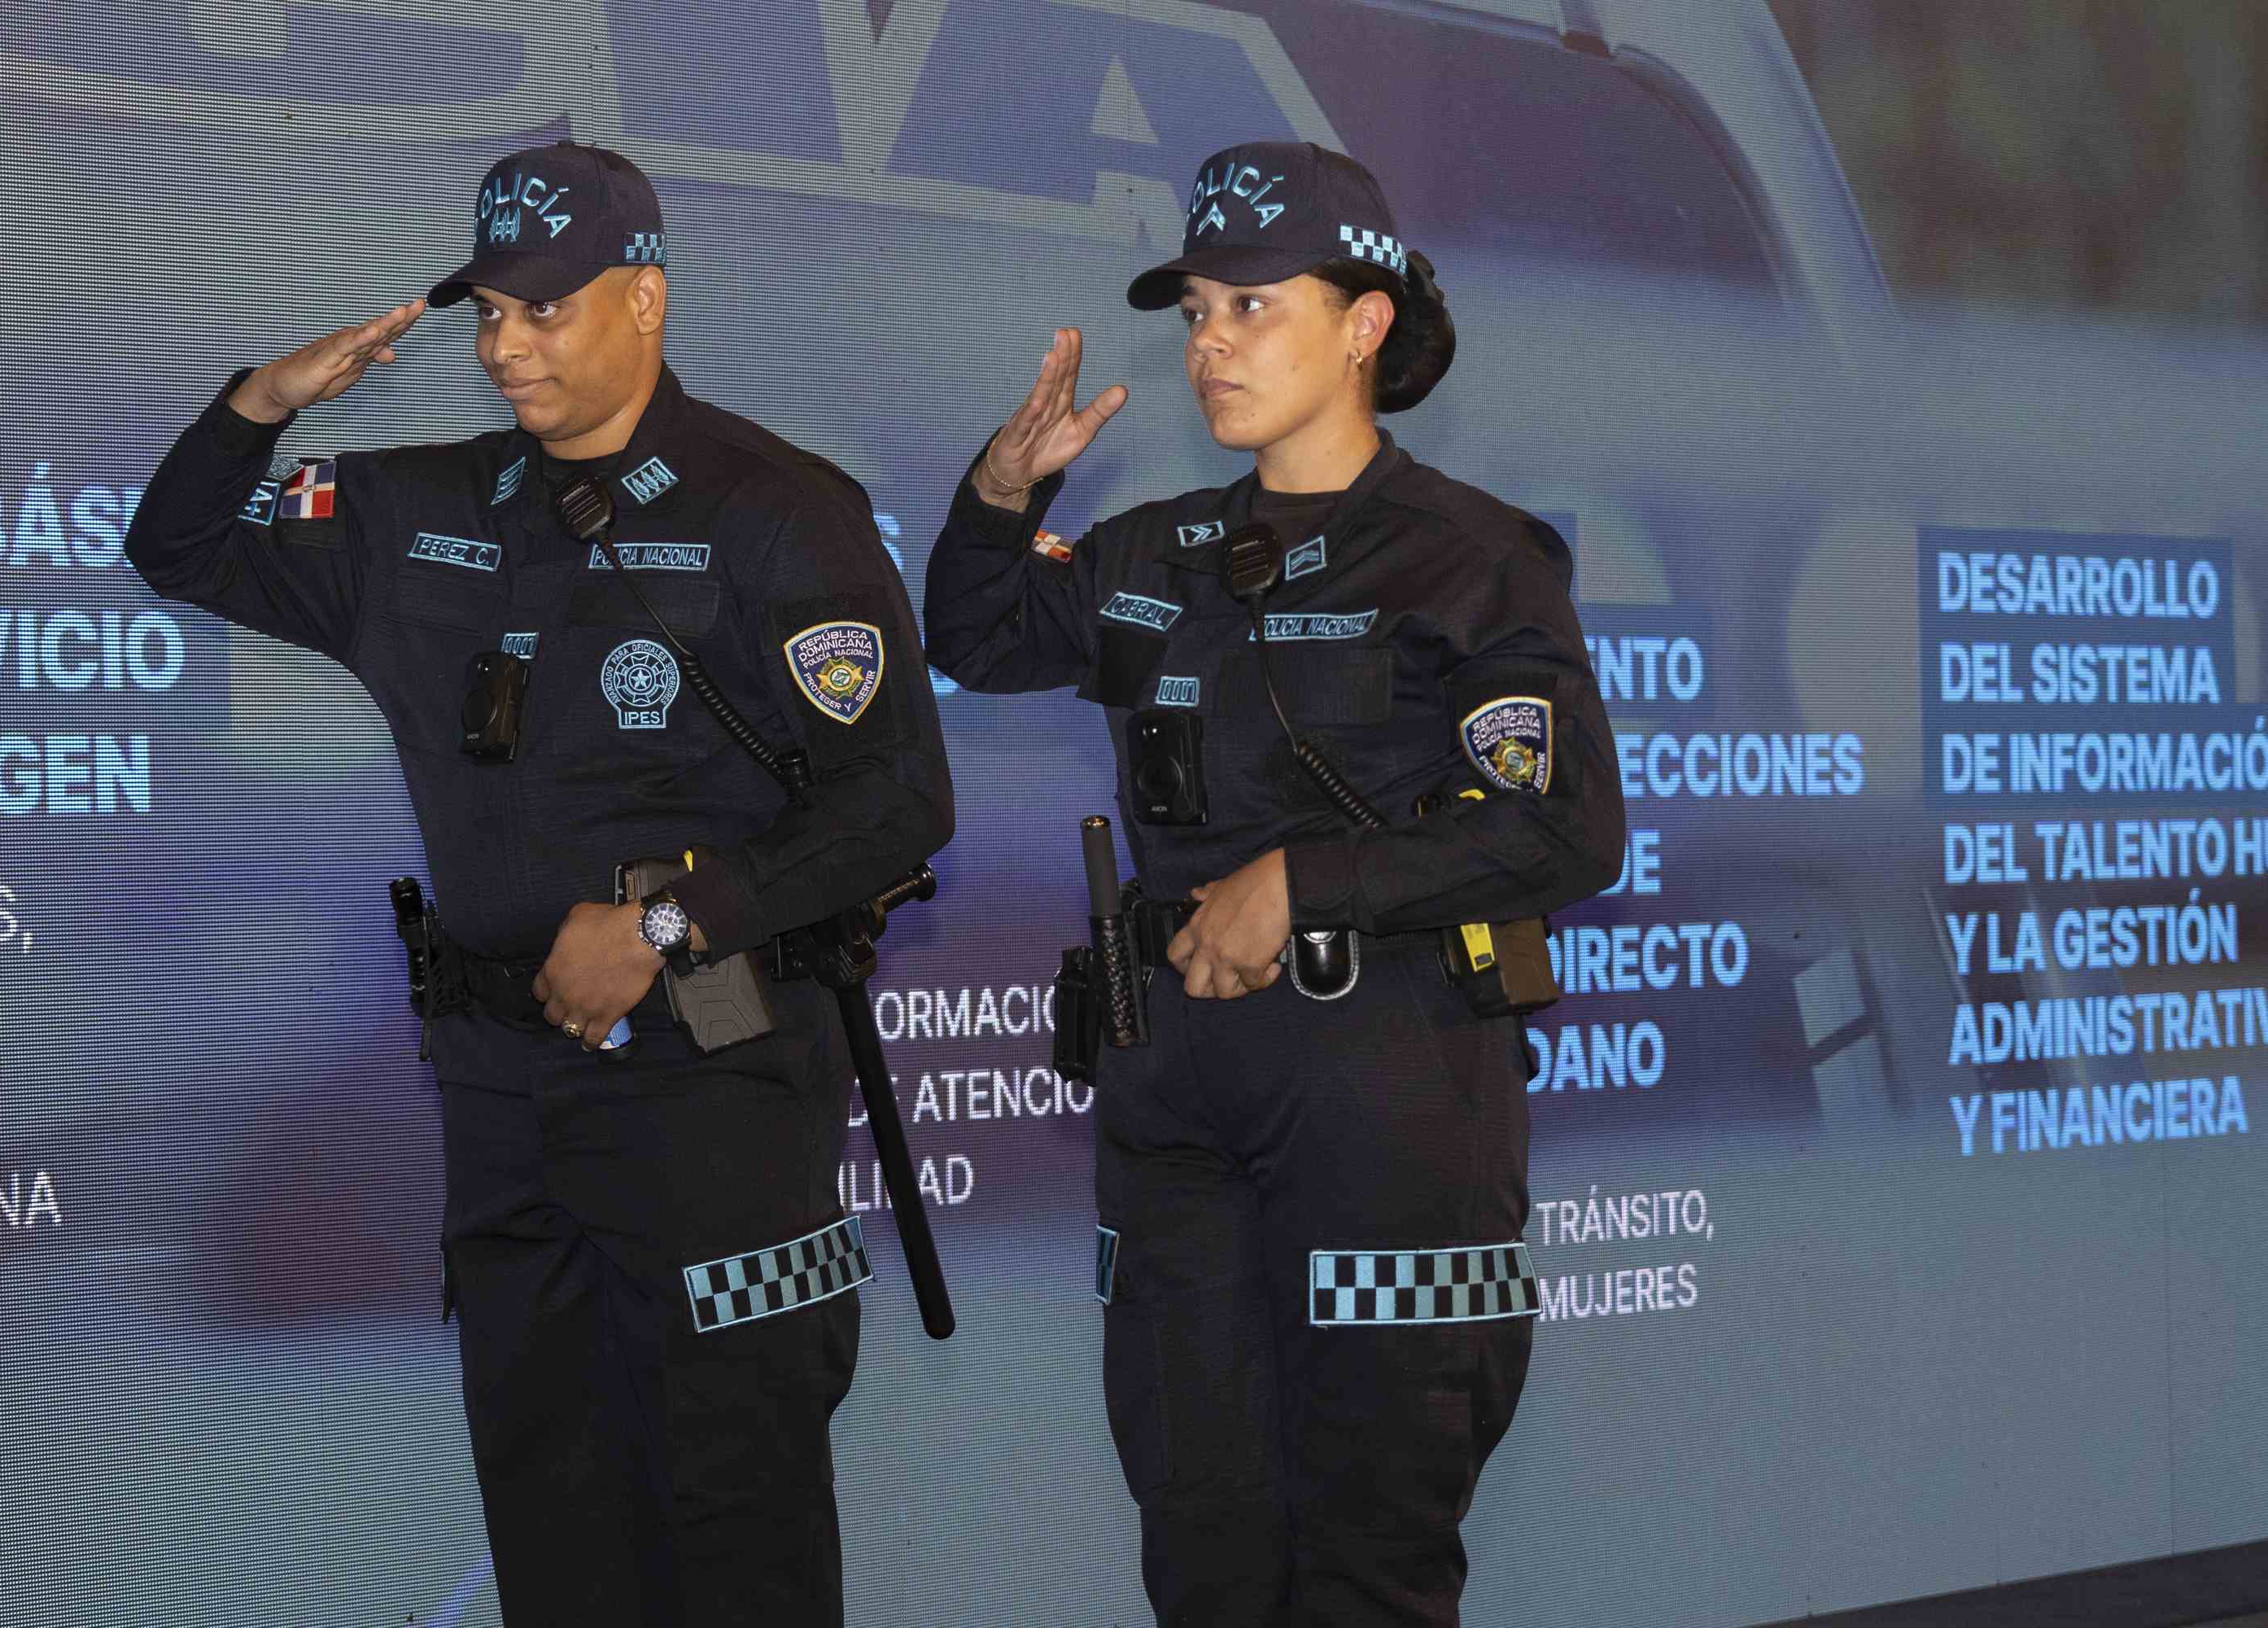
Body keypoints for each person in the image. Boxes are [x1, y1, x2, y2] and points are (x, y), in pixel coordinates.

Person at [125, 140, 952, 1626]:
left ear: (646, 297)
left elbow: (899, 804)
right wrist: (264, 402)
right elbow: (174, 544)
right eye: (487, 312)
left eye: (546, 310)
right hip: (505, 1104)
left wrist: (666, 923)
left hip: (717, 1086)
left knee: (738, 1531)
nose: (507, 344)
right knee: (554, 1527)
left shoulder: (778, 506)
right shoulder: (418, 506)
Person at [924, 141, 1623, 1625]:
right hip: (1177, 1099)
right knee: (1203, 1548)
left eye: (1253, 308)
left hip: (1384, 1096)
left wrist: (1308, 883)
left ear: (1364, 324)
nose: (1211, 347)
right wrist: (999, 490)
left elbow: (1565, 829)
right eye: (1194, 316)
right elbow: (975, 638)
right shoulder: (1155, 550)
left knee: (1366, 1560)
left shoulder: (1477, 559)